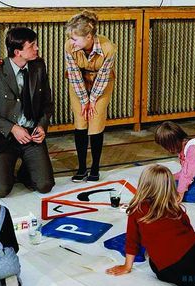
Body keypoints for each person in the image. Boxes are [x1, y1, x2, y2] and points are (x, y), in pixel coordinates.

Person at [106, 164, 195, 286]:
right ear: (170, 186)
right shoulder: (174, 207)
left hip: (171, 269)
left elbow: (132, 239)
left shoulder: (137, 209)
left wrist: (127, 266)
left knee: (155, 262)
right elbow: (189, 230)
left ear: (143, 185)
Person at [0, 27, 55, 198]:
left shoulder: (38, 67)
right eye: (32, 45)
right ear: (18, 52)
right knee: (0, 190)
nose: (37, 49)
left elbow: (47, 104)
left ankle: (27, 170)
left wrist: (42, 126)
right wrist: (12, 128)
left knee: (44, 185)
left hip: (31, 135)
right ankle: (4, 168)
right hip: (4, 139)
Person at [65, 10, 116, 182]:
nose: (71, 42)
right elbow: (73, 74)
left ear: (88, 37)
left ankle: (95, 167)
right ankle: (81, 168)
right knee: (81, 121)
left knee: (96, 121)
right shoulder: (69, 47)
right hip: (78, 82)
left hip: (101, 84)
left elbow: (103, 78)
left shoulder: (108, 48)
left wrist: (92, 100)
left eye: (75, 39)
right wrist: (84, 100)